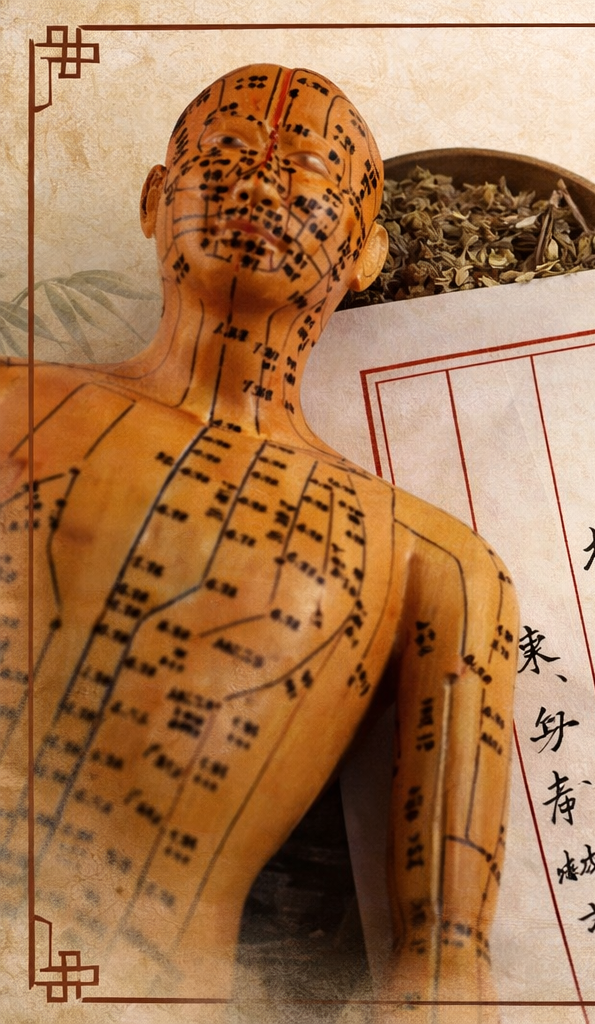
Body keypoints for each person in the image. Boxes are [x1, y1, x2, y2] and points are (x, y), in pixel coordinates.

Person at [0, 64, 516, 1016]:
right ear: (156, 201)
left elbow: (442, 971)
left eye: (312, 174)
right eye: (230, 153)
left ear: (367, 257)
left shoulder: (439, 566)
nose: (266, 185)